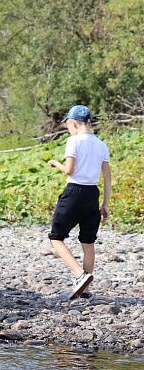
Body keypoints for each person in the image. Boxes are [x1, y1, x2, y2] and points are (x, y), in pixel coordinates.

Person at [47, 105, 111, 300]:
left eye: (68, 125)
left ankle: (80, 275)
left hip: (74, 192)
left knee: (56, 237)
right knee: (88, 241)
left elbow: (69, 170)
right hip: (93, 194)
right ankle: (85, 290)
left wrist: (55, 163)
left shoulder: (73, 141)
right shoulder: (101, 144)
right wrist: (105, 204)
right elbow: (107, 177)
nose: (68, 129)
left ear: (74, 123)